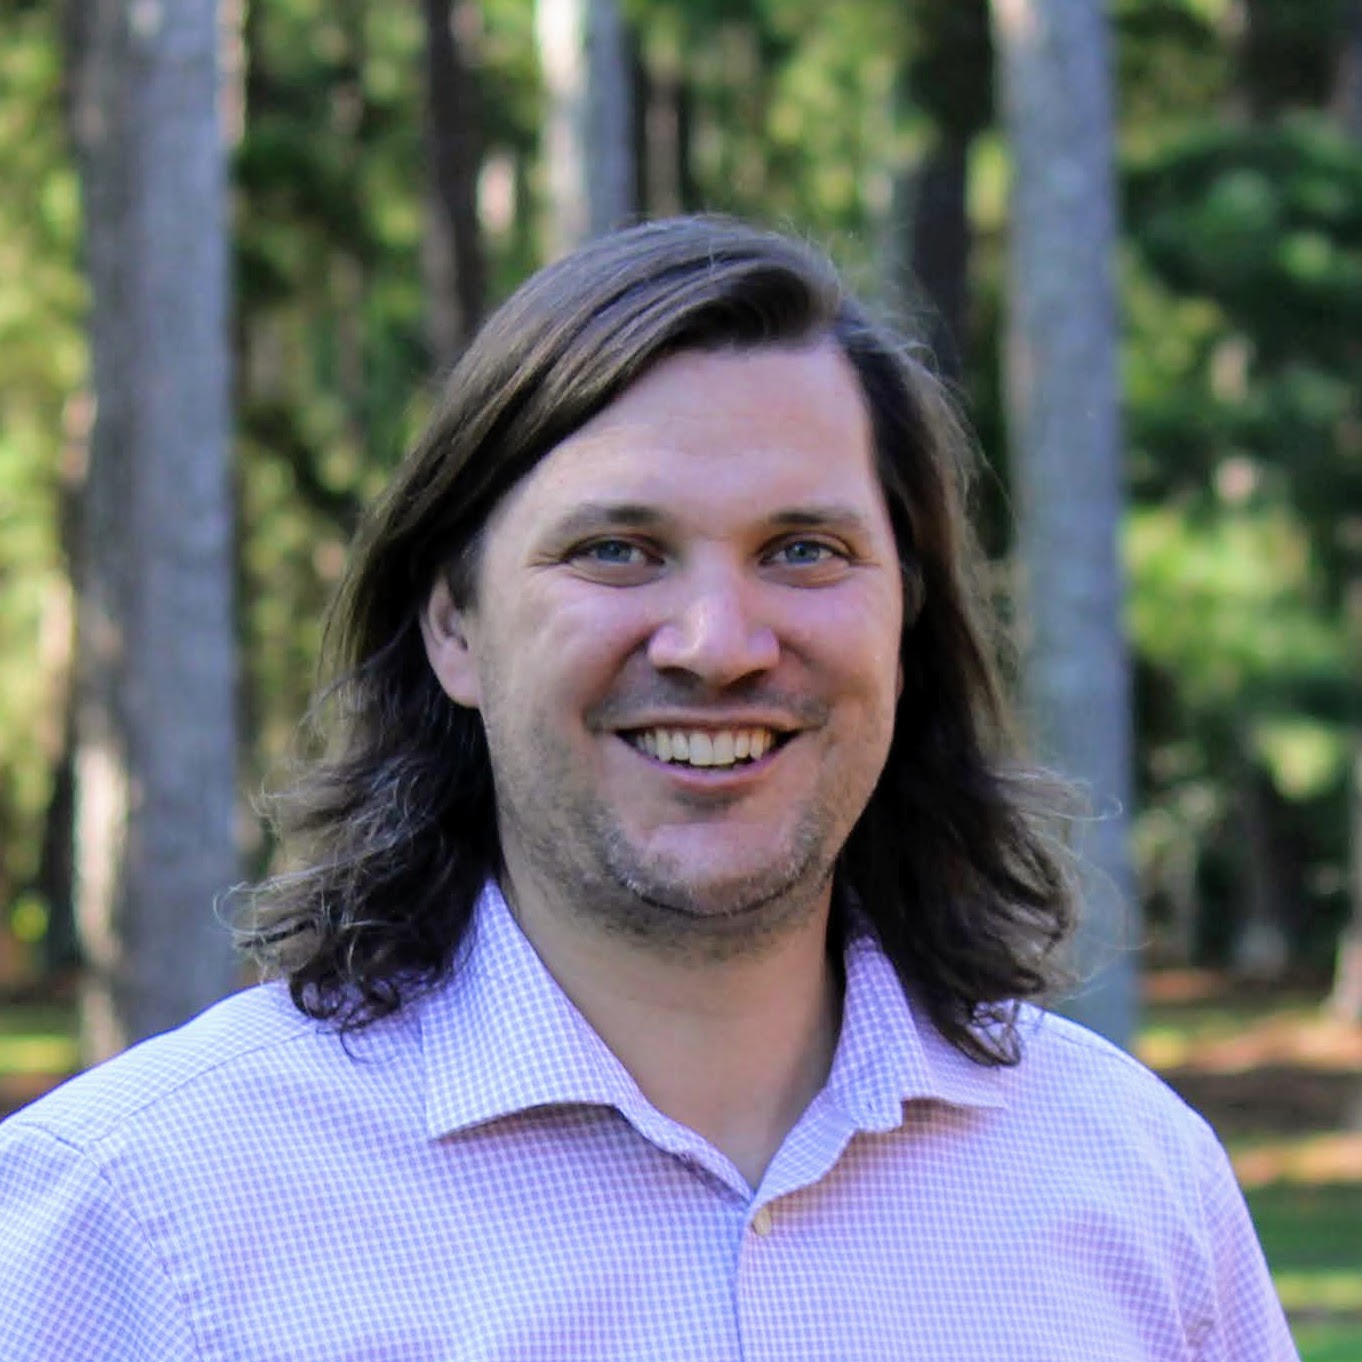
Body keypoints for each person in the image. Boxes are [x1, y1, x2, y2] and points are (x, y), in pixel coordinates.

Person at [1, 217, 1296, 1360]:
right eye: (616, 549)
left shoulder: (1130, 1178)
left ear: (907, 619)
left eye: (803, 549)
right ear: (454, 626)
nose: (717, 640)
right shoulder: (137, 1217)